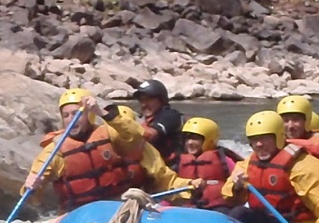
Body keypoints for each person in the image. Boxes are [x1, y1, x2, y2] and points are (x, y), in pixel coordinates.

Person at [23, 89, 199, 212]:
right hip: (76, 216)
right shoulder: (54, 151)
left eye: (77, 113)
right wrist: (30, 188)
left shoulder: (112, 136)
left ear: (89, 115)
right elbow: (32, 198)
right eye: (66, 115)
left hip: (117, 210)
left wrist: (188, 186)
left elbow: (136, 137)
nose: (71, 119)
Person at [221, 110, 319, 223]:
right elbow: (229, 198)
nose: (259, 144)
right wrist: (236, 187)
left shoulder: (303, 165)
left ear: (279, 137)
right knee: (237, 213)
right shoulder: (248, 163)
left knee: (240, 214)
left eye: (264, 138)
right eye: (254, 139)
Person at [175, 117, 237, 213]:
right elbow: (171, 182)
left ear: (209, 140)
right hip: (188, 206)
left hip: (217, 206)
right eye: (187, 139)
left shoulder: (223, 158)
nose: (190, 143)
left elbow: (237, 175)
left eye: (195, 139)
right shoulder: (179, 160)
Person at [133, 79, 184, 166]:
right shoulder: (141, 119)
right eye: (142, 100)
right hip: (149, 166)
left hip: (170, 168)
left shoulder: (170, 115)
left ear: (161, 100)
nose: (144, 104)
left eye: (149, 100)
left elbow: (150, 135)